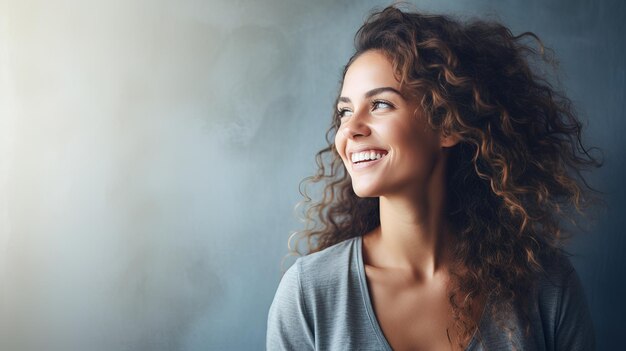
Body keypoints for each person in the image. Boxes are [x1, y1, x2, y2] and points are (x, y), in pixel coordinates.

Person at [267, 4, 601, 351]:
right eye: (345, 111)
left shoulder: (545, 287)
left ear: (447, 124)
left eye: (380, 104)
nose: (349, 130)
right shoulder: (309, 293)